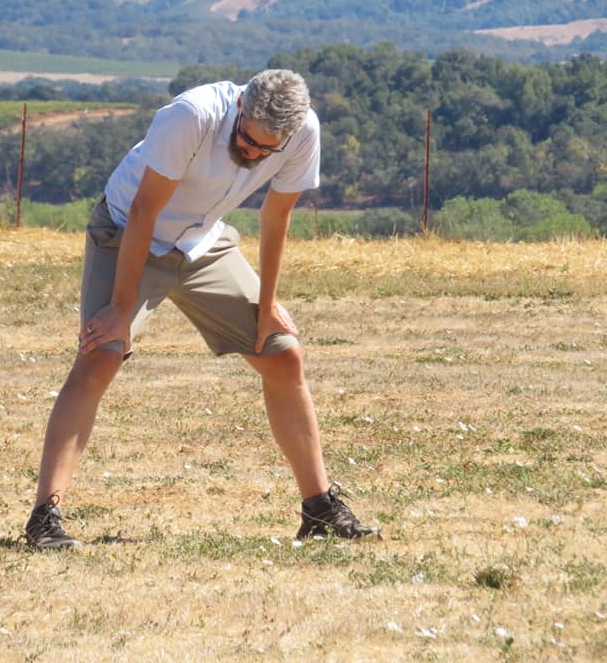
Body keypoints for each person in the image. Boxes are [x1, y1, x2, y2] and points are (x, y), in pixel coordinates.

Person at [24, 69, 378, 549]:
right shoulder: (191, 115)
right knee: (101, 352)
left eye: (265, 151)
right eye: (247, 141)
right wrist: (121, 310)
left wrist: (269, 304)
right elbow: (146, 211)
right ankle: (45, 518)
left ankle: (319, 508)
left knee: (282, 352)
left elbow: (276, 216)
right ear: (238, 110)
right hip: (128, 231)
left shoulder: (303, 133)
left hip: (202, 241)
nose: (253, 154)